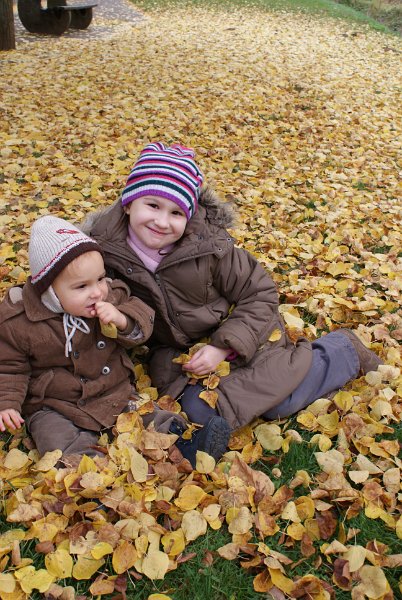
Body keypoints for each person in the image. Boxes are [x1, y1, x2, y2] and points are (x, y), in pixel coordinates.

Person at [85, 142, 382, 436]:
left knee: (280, 402)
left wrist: (222, 347)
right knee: (196, 408)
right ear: (128, 203)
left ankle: (341, 351)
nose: (162, 222)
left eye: (176, 213)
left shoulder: (208, 248)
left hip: (242, 332)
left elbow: (260, 293)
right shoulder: (104, 253)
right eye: (152, 205)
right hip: (178, 351)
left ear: (189, 216)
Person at [0, 215, 228, 467]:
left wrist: (122, 320)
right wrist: (7, 403)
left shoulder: (112, 295)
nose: (97, 291)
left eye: (99, 279)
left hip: (112, 389)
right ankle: (86, 472)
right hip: (55, 403)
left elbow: (143, 320)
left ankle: (187, 443)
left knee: (146, 414)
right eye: (82, 286)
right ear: (49, 290)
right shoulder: (19, 321)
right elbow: (9, 367)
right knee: (55, 437)